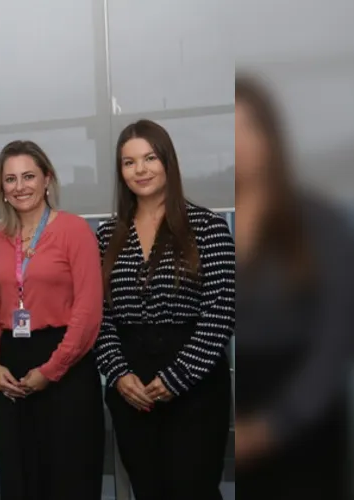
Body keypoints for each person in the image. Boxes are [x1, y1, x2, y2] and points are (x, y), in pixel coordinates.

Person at [233, 76, 354, 499]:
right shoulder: (214, 229)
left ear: (271, 136)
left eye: (248, 126)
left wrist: (276, 425)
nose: (238, 142)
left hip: (306, 416)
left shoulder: (319, 220)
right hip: (237, 403)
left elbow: (339, 338)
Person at [95, 119, 235, 500]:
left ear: (168, 162)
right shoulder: (107, 236)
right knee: (148, 490)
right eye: (129, 162)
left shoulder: (209, 227)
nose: (140, 170)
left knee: (195, 490)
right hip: (131, 389)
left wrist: (177, 379)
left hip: (196, 386)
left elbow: (221, 313)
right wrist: (119, 375)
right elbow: (100, 316)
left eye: (149, 158)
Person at [0, 141, 105, 500]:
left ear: (47, 179)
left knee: (69, 475)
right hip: (11, 367)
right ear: (1, 188)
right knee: (21, 476)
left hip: (66, 363)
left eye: (28, 176)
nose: (20, 186)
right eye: (10, 179)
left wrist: (51, 370)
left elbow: (88, 311)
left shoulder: (74, 230)